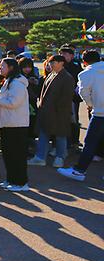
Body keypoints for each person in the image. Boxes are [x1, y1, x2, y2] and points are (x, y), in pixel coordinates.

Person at [0, 58, 29, 192]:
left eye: (3, 66)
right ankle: (11, 179)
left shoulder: (17, 83)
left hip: (16, 124)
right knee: (8, 154)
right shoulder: (8, 81)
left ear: (12, 67)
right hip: (7, 123)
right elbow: (3, 102)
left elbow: (13, 103)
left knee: (16, 155)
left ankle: (21, 182)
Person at [58, 50, 104, 182]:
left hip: (100, 113)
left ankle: (79, 170)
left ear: (84, 62)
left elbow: (83, 93)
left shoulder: (85, 74)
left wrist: (90, 105)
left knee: (90, 142)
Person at [28, 55, 75, 168]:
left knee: (60, 135)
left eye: (53, 62)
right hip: (46, 111)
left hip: (59, 112)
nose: (50, 65)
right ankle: (40, 157)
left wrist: (57, 110)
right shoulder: (51, 75)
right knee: (44, 134)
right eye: (49, 62)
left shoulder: (67, 77)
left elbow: (66, 98)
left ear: (61, 63)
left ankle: (60, 158)